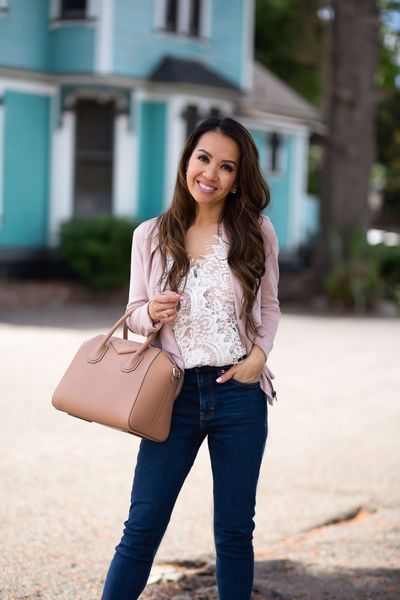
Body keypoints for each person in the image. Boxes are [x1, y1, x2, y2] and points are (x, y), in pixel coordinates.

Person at [101, 116, 280, 599]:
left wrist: (259, 355)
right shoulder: (151, 235)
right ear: (187, 161)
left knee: (235, 535)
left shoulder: (256, 232)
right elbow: (134, 313)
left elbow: (269, 304)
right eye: (204, 159)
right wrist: (149, 314)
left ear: (239, 177)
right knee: (142, 528)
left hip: (239, 396)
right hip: (172, 395)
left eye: (227, 166)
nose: (211, 174)